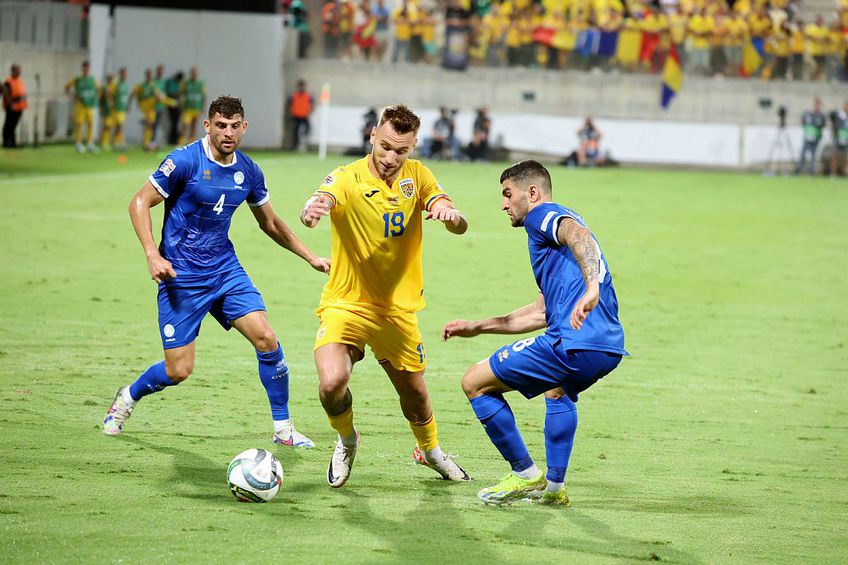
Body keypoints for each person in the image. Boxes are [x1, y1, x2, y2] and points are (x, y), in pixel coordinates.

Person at [102, 96, 329, 448]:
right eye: (220, 125)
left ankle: (283, 428)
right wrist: (151, 254)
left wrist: (310, 256)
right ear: (207, 126)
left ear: (244, 127)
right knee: (178, 370)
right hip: (181, 277)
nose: (228, 132)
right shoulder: (183, 161)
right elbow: (139, 201)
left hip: (224, 270)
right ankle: (127, 398)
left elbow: (269, 222)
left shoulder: (249, 171)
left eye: (234, 125)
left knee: (267, 338)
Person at [299, 104, 471, 488]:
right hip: (347, 303)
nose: (392, 158)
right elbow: (323, 198)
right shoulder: (346, 177)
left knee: (415, 394)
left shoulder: (418, 176)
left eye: (402, 150)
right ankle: (347, 440)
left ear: (413, 147)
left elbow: (450, 212)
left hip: (397, 310)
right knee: (331, 384)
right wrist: (315, 209)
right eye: (387, 147)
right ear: (373, 135)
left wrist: (451, 215)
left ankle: (430, 451)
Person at [442, 160, 627, 505]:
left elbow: (577, 234)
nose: (503, 204)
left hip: (572, 342)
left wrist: (591, 287)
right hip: (607, 346)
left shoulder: (541, 215)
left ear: (532, 192)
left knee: (473, 381)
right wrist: (478, 326)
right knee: (556, 390)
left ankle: (524, 474)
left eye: (507, 194)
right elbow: (541, 312)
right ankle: (555, 490)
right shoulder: (555, 242)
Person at [65, 60, 100, 153]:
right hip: (80, 105)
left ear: (89, 69)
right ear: (82, 68)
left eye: (87, 67)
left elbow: (98, 89)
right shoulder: (77, 79)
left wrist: (95, 98)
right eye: (84, 67)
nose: (86, 69)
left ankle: (90, 144)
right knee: (79, 124)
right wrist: (73, 95)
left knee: (90, 124)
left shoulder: (92, 79)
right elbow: (67, 87)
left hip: (90, 105)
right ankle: (78, 143)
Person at [795, 97, 826, 175]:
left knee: (813, 155)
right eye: (816, 104)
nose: (817, 106)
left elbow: (823, 125)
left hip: (816, 137)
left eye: (818, 104)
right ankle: (798, 170)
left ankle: (810, 171)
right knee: (803, 153)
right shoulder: (807, 113)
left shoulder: (822, 115)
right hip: (807, 136)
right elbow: (802, 122)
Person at [2, 64, 27, 148]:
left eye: (19, 70)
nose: (19, 72)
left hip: (19, 107)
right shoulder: (8, 82)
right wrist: (11, 105)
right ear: (13, 71)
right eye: (17, 70)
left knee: (13, 126)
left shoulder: (19, 80)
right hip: (12, 107)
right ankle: (7, 142)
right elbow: (6, 96)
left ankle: (12, 142)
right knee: (9, 125)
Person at [179, 67, 205, 146]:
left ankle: (191, 144)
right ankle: (181, 143)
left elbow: (203, 96)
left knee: (194, 127)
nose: (194, 74)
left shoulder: (200, 83)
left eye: (195, 72)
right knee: (185, 125)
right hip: (188, 108)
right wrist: (181, 104)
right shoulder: (186, 83)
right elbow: (181, 94)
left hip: (196, 108)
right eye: (193, 72)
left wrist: (202, 107)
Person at [287, 79, 313, 151]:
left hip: (304, 116)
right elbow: (289, 105)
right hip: (296, 116)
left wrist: (309, 113)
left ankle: (304, 145)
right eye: (300, 86)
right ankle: (295, 146)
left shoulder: (308, 96)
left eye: (302, 86)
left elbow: (311, 105)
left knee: (307, 130)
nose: (301, 87)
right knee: (295, 132)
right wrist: (291, 113)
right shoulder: (293, 95)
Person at [110, 67, 130, 150]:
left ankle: (116, 142)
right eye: (123, 73)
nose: (124, 75)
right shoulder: (116, 84)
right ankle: (118, 142)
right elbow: (109, 92)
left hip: (122, 109)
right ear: (120, 74)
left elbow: (125, 97)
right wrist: (111, 102)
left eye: (125, 73)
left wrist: (127, 106)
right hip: (117, 109)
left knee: (119, 126)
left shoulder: (125, 84)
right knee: (119, 125)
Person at [97, 72, 116, 150]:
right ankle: (104, 143)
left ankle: (105, 142)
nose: (110, 78)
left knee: (109, 126)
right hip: (105, 109)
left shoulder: (114, 86)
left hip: (112, 109)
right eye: (109, 77)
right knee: (106, 126)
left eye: (111, 77)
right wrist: (101, 108)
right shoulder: (104, 87)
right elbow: (101, 98)